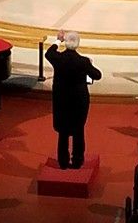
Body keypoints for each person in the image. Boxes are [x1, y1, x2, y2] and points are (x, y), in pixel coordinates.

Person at [44, 30, 102, 169]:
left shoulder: (58, 58)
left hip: (61, 99)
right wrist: (89, 64)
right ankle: (77, 160)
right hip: (78, 100)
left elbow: (48, 53)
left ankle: (63, 162)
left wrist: (58, 40)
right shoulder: (83, 61)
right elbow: (97, 75)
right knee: (78, 130)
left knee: (63, 132)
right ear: (77, 44)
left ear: (65, 42)